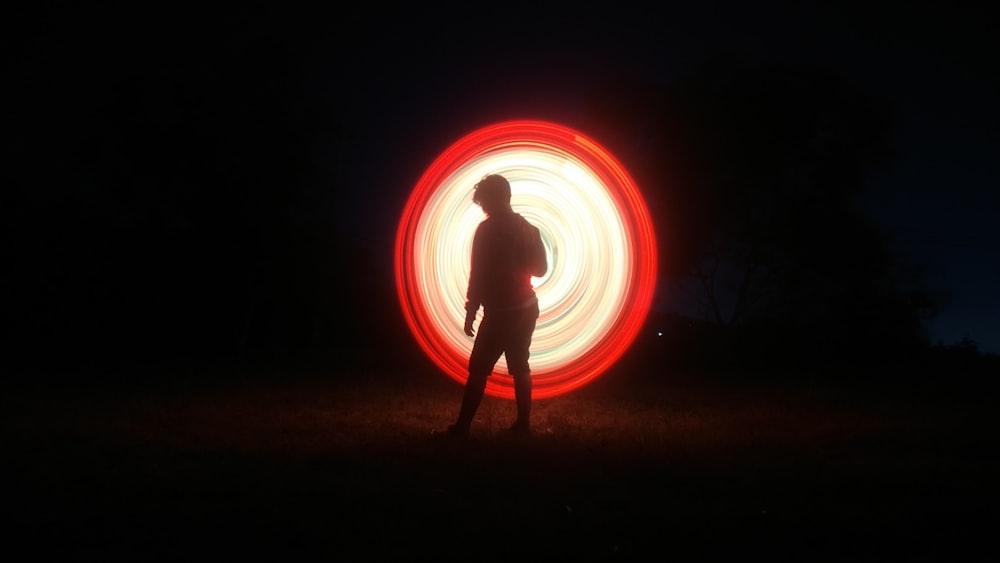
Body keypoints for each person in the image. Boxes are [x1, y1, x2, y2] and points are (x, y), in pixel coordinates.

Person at [446, 174, 547, 437]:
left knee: (479, 369)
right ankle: (523, 425)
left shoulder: (486, 230)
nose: (483, 207)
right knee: (520, 365)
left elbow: (477, 274)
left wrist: (471, 310)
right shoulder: (530, 229)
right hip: (526, 307)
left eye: (484, 202)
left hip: (501, 311)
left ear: (496, 198)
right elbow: (541, 269)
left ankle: (463, 427)